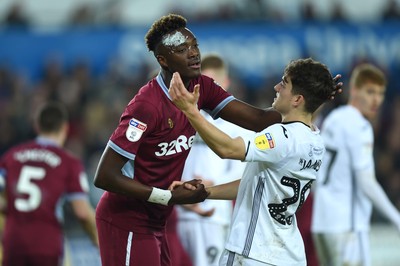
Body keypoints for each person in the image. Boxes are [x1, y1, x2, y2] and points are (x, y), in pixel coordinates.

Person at [93, 13, 342, 266]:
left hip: (159, 218)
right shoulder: (147, 106)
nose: (193, 53)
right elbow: (105, 176)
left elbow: (259, 120)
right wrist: (166, 197)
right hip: (126, 219)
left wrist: (314, 94)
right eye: (182, 49)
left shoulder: (203, 88)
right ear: (163, 60)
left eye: (194, 46)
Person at [169, 57, 337, 265]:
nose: (277, 87)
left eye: (284, 83)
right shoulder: (315, 140)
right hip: (289, 255)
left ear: (297, 99)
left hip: (253, 252)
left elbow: (227, 149)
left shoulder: (280, 137)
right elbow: (255, 185)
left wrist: (190, 111)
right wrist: (205, 192)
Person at [311, 63, 400, 266]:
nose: (376, 100)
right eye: (370, 92)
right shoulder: (359, 126)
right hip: (347, 227)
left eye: (380, 93)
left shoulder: (334, 119)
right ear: (354, 90)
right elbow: (366, 181)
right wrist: (396, 218)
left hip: (322, 223)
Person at [0, 102, 98, 266]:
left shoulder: (11, 156)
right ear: (65, 128)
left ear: (37, 126)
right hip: (46, 243)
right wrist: (97, 239)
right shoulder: (69, 162)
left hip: (13, 243)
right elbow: (82, 212)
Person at [177, 53, 251, 266]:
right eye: (202, 82)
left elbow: (243, 170)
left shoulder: (234, 124)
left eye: (213, 83)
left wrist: (212, 184)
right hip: (177, 212)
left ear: (225, 83)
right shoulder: (184, 117)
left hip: (213, 214)